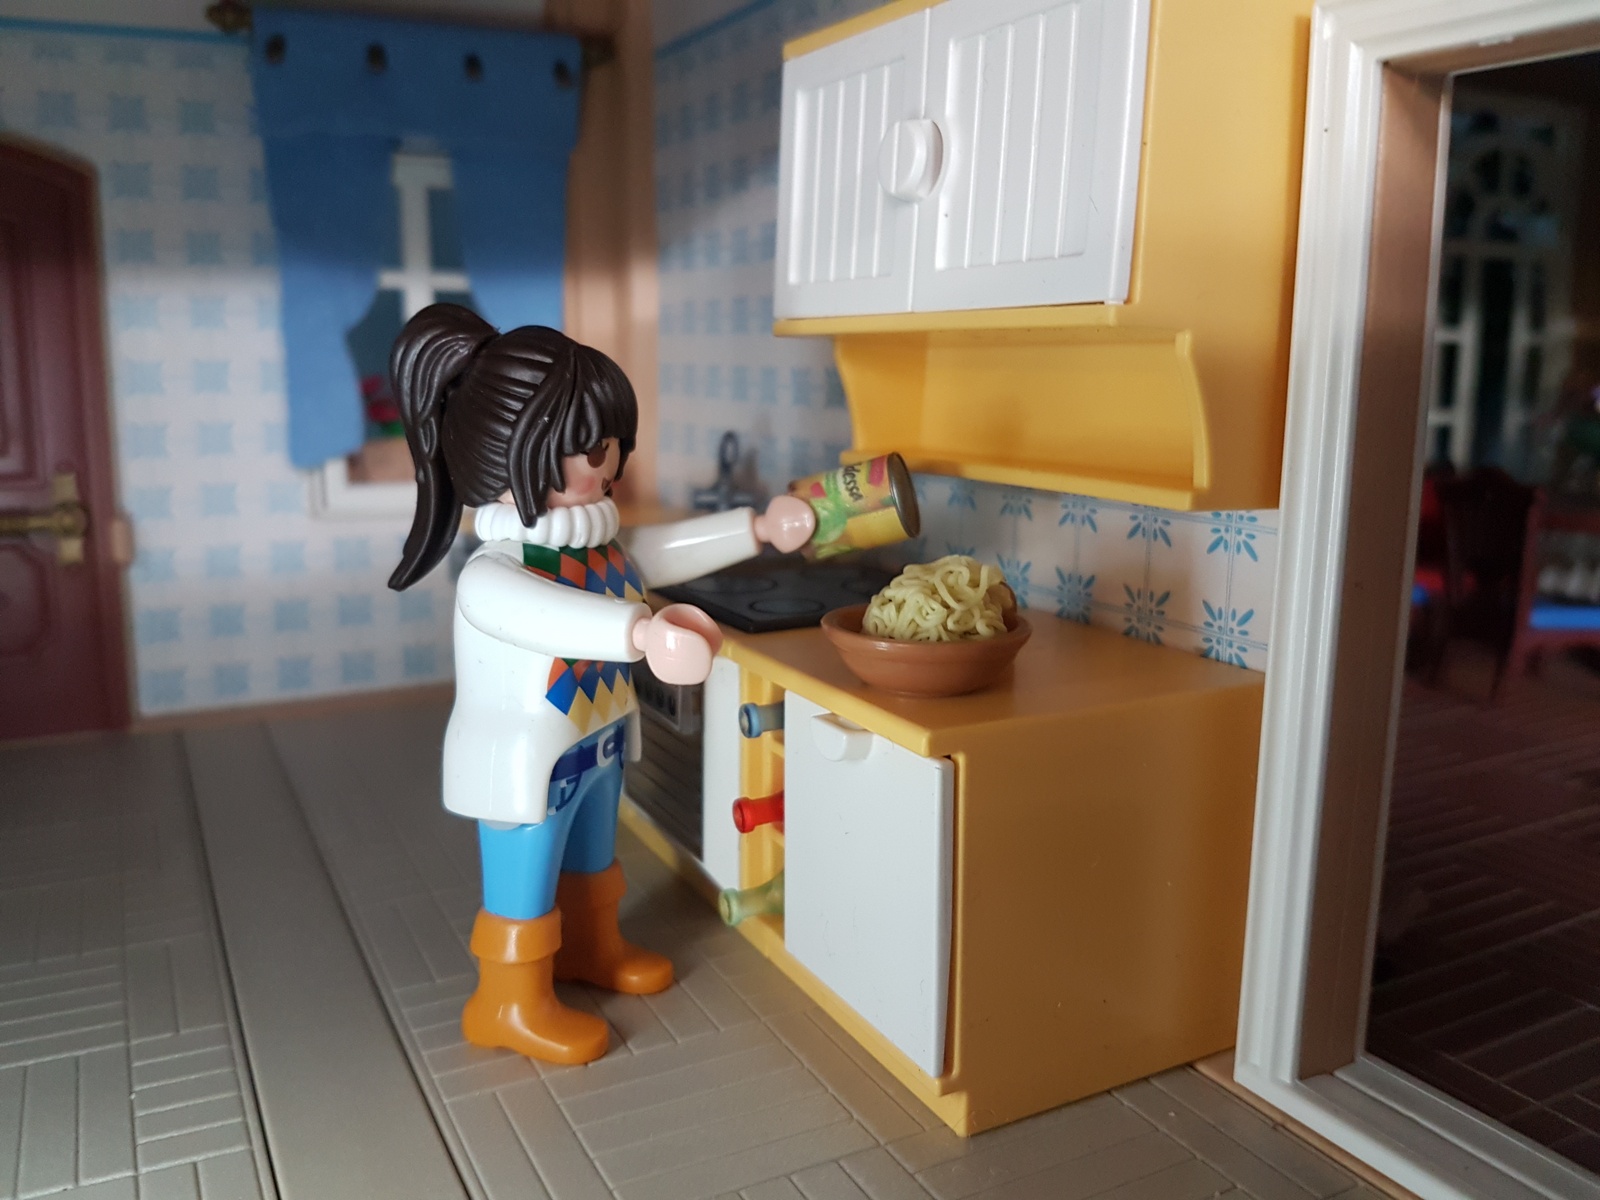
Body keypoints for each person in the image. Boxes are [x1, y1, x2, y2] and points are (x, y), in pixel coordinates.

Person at [387, 304, 813, 1064]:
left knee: (593, 859)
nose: (609, 462)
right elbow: (552, 617)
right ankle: (507, 1001)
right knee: (524, 883)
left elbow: (661, 550)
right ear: (517, 452)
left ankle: (591, 946)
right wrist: (640, 634)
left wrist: (754, 529)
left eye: (612, 443)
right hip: (527, 765)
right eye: (590, 447)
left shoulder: (601, 547)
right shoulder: (494, 574)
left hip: (596, 743)